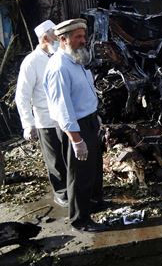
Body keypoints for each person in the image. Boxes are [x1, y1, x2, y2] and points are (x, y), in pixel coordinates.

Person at [44, 18, 105, 233]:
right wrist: (76, 140)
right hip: (75, 126)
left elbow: (84, 94)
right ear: (63, 39)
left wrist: (95, 118)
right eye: (78, 37)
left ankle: (95, 204)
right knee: (80, 174)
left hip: (88, 121)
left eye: (83, 35)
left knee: (94, 168)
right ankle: (80, 220)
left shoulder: (76, 60)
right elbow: (63, 108)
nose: (83, 40)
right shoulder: (59, 67)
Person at [15, 20, 68, 207]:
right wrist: (28, 124)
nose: (59, 38)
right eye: (55, 34)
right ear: (45, 37)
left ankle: (72, 188)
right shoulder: (31, 61)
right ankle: (61, 192)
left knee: (68, 156)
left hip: (65, 117)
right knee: (54, 160)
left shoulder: (60, 56)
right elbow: (22, 95)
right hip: (45, 119)